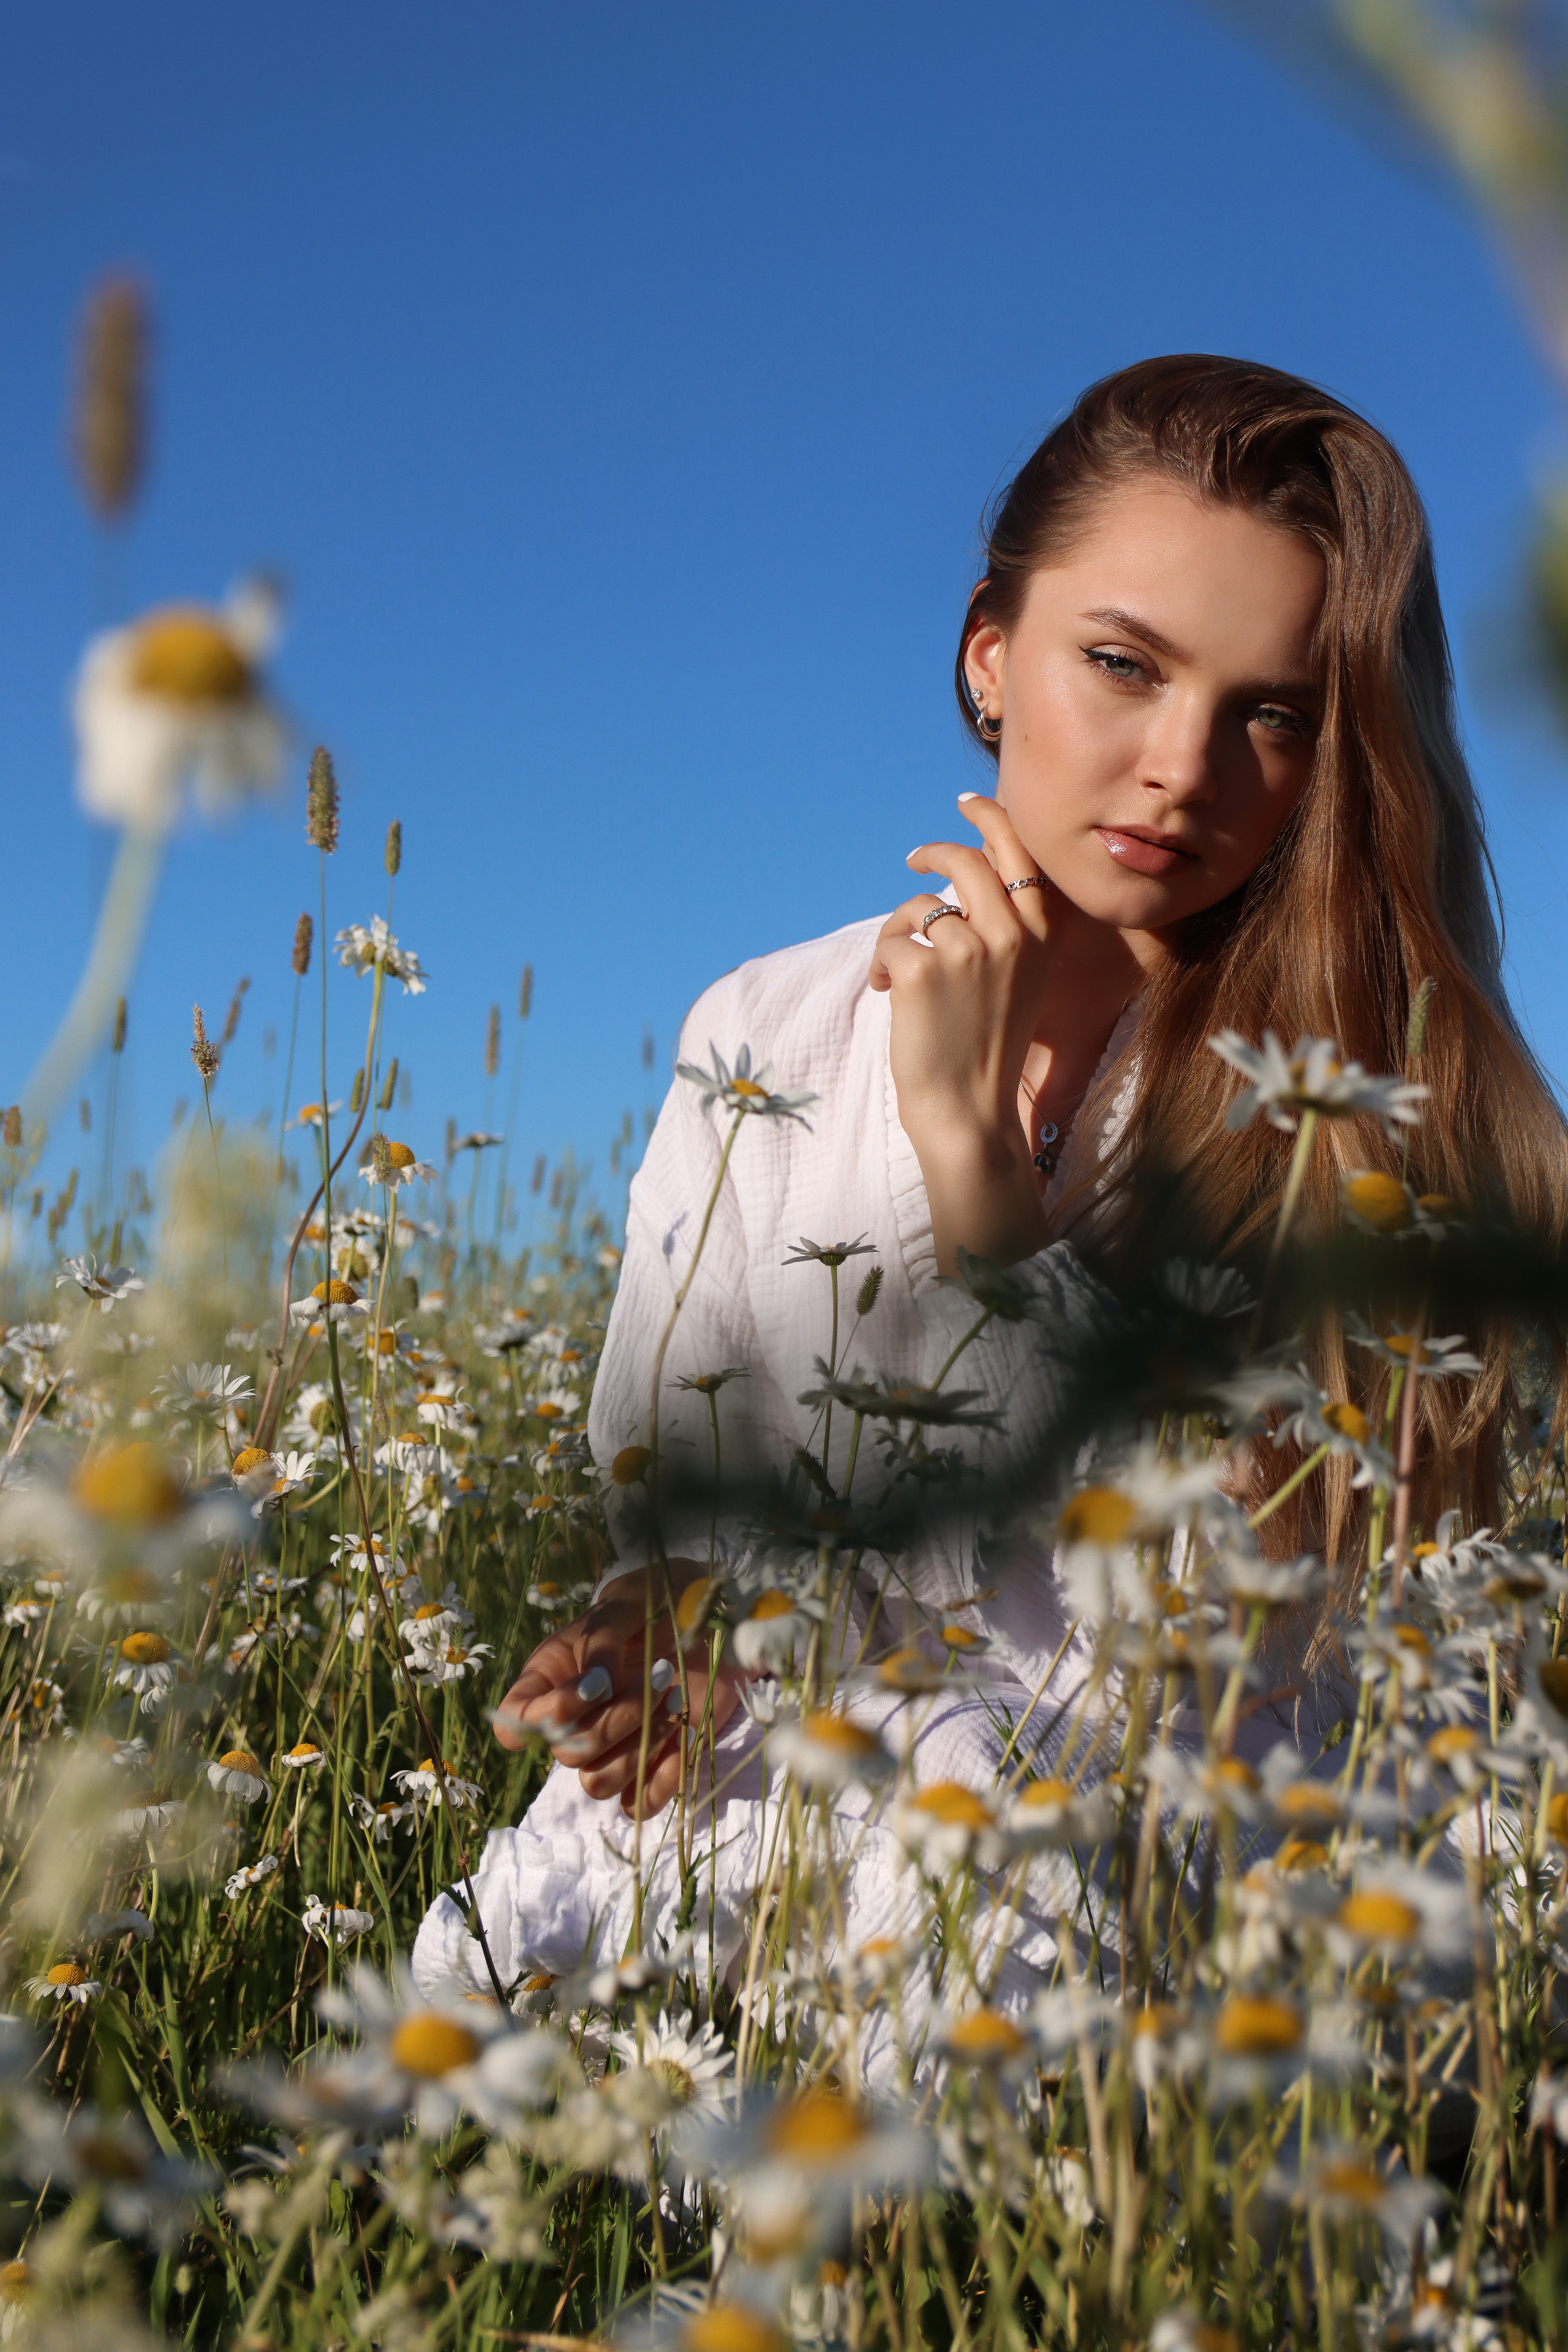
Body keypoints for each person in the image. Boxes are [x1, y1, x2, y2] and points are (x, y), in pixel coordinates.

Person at [412, 355, 1568, 2033]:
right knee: (497, 2000)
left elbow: (1199, 1600)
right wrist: (642, 1641)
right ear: (988, 656)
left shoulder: (1351, 1098)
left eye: (1272, 712)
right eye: (1123, 665)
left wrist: (972, 1171)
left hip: (1170, 1832)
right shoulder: (766, 1029)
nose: (1183, 766)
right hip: (798, 1763)